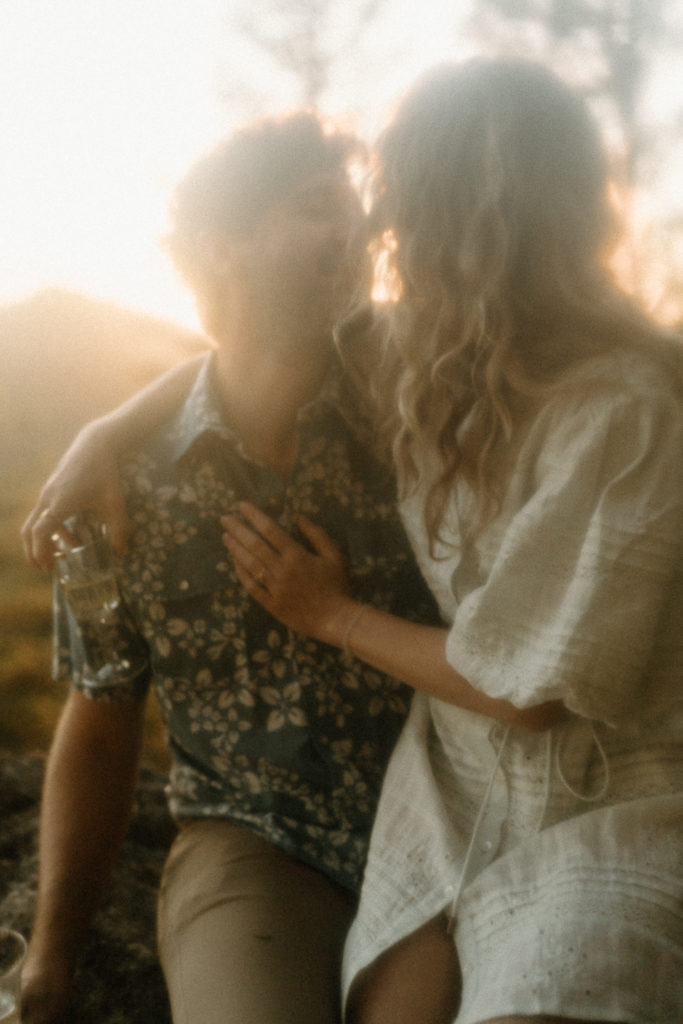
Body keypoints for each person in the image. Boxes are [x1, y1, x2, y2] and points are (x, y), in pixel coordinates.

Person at [218, 60, 683, 1024]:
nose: (379, 226)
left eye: (398, 197)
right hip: (448, 783)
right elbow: (245, 357)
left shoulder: (624, 408)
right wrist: (104, 440)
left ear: (460, 215)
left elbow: (530, 693)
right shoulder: (428, 357)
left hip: (616, 804)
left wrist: (331, 614)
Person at [19, 111, 438, 1024]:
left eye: (360, 209)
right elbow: (103, 710)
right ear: (222, 247)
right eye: (319, 206)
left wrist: (107, 421)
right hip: (252, 847)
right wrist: (50, 959)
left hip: (441, 831)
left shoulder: (423, 414)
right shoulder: (119, 493)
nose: (358, 231)